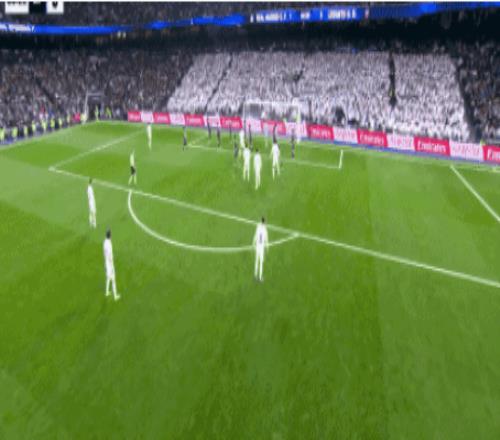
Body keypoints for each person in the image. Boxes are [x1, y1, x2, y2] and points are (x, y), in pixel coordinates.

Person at [103, 229, 120, 301]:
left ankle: (107, 292)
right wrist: (112, 266)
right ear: (110, 235)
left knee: (108, 278)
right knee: (113, 280)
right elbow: (110, 255)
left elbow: (104, 253)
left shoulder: (104, 242)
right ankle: (115, 296)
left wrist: (105, 263)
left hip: (106, 262)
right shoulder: (109, 244)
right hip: (110, 264)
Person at [253, 217, 269, 282]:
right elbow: (266, 239)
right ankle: (260, 277)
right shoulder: (265, 229)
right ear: (264, 222)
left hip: (257, 246)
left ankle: (255, 276)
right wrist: (267, 246)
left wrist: (253, 243)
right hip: (261, 247)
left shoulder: (258, 226)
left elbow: (255, 235)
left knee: (256, 261)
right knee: (261, 262)